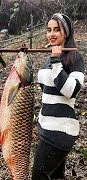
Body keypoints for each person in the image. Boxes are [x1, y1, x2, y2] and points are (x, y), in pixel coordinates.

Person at [32, 13, 85, 179]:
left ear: (66, 33)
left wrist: (56, 61)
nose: (52, 34)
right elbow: (47, 94)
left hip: (60, 131)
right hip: (47, 129)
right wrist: (40, 123)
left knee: (38, 176)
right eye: (49, 30)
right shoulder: (50, 58)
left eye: (57, 30)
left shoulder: (74, 57)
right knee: (55, 177)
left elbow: (70, 91)